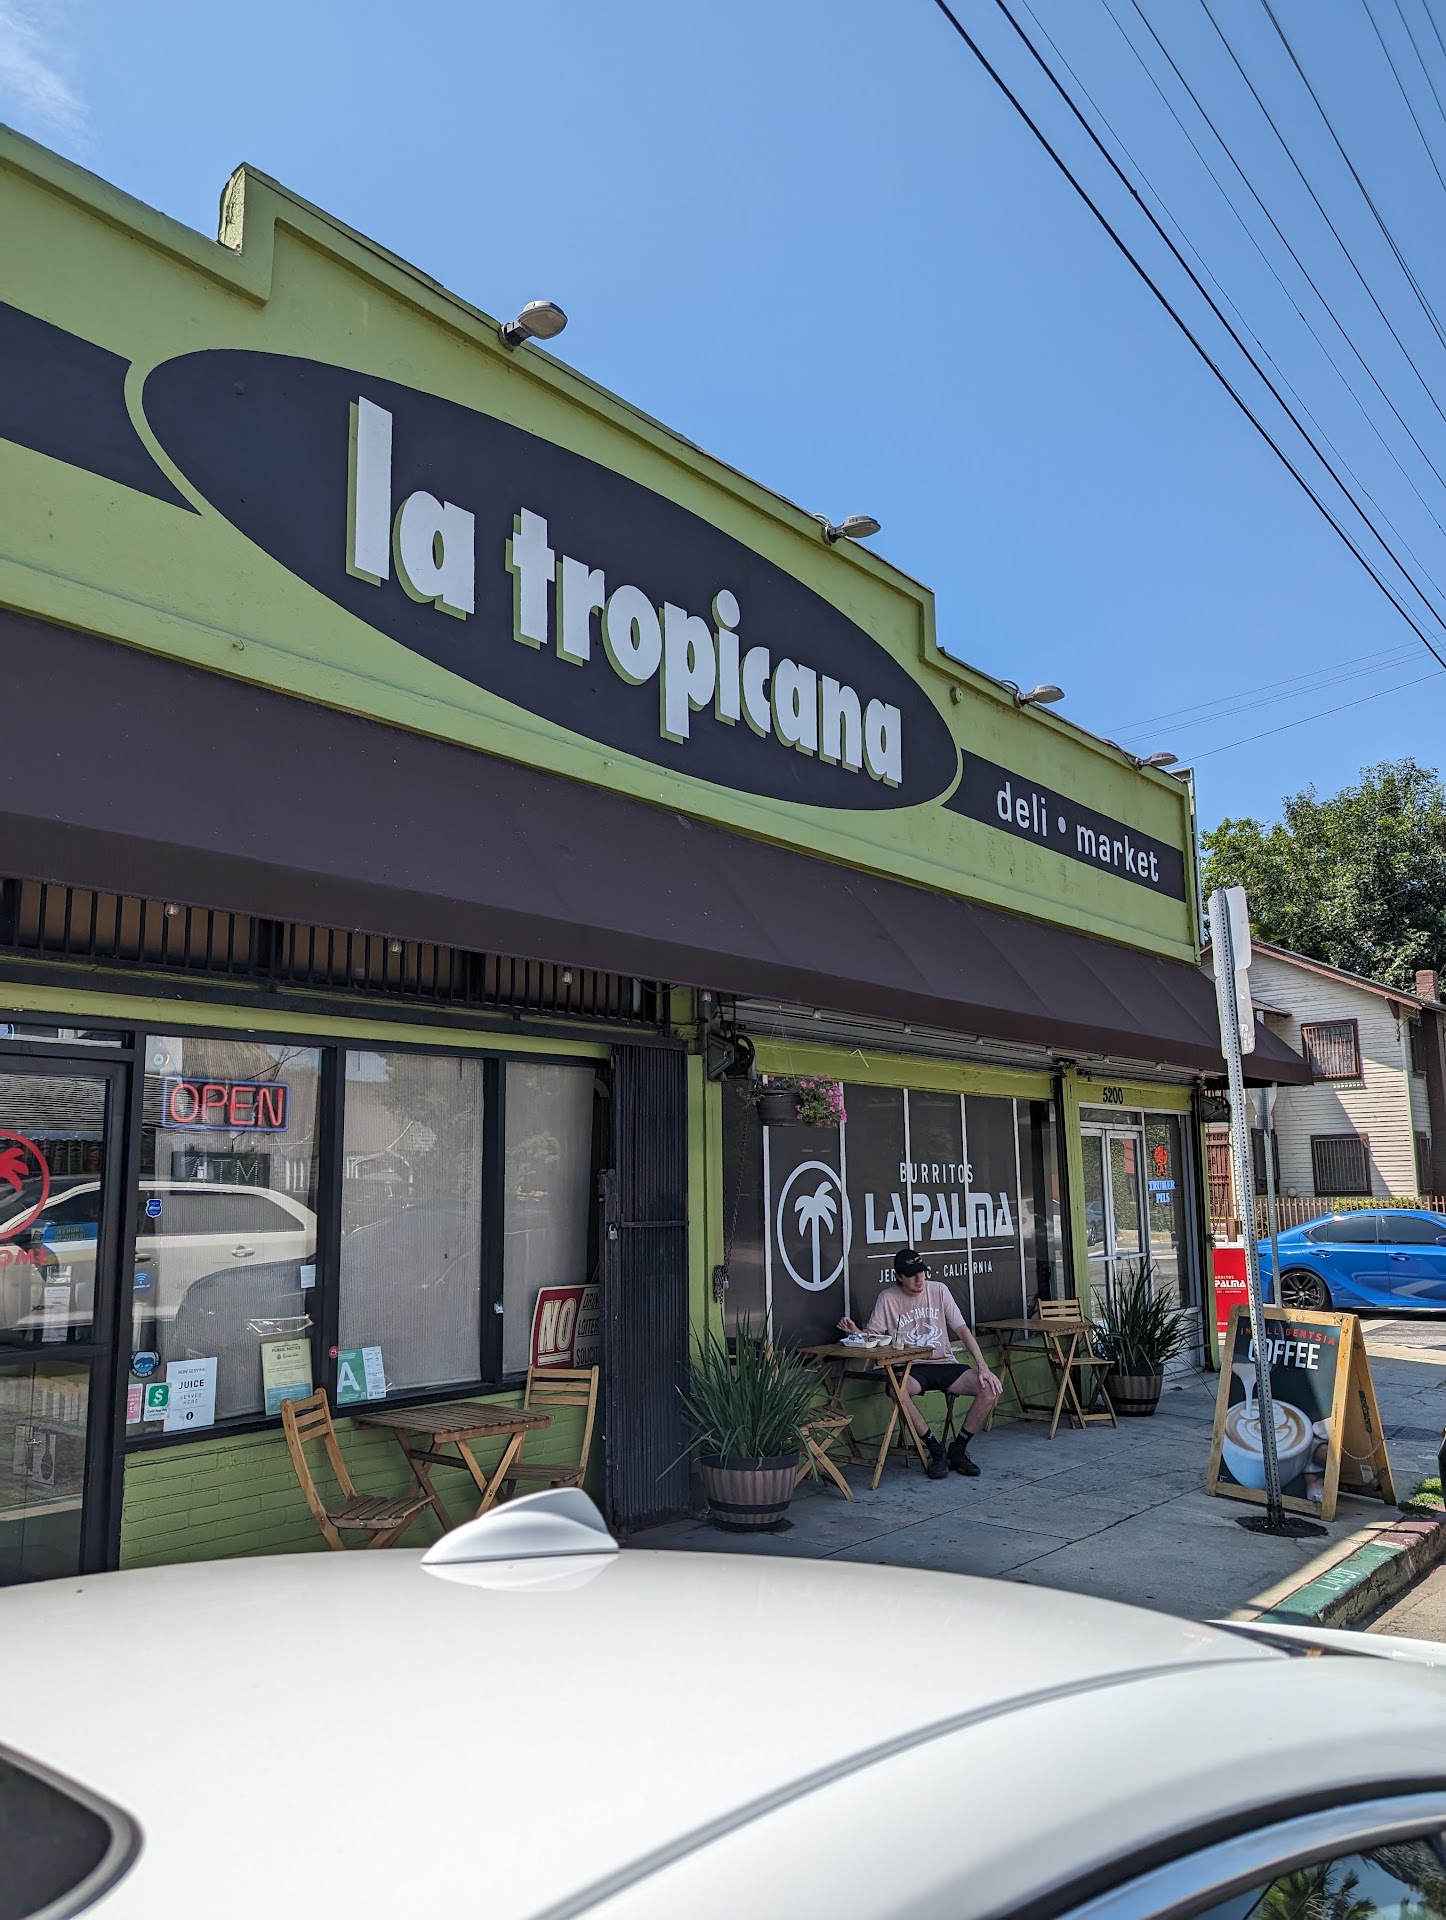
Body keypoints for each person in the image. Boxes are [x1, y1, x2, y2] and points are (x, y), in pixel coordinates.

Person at [838, 1249, 1002, 1479]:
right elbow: (873, 1337)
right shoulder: (888, 1298)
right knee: (897, 1390)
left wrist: (983, 1367)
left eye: (922, 1273)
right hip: (911, 1367)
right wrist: (855, 1331)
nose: (919, 1279)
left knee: (990, 1388)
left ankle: (958, 1449)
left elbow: (962, 1330)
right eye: (912, 1275)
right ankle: (934, 1449)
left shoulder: (939, 1290)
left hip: (944, 1362)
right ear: (899, 1277)